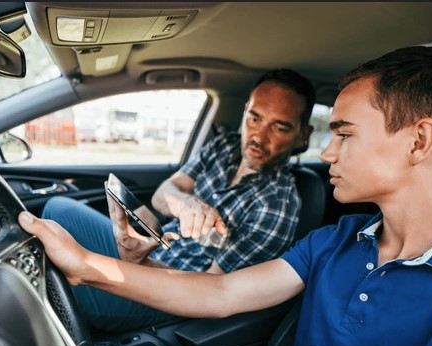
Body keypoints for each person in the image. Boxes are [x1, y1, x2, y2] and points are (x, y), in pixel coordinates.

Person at [19, 45, 432, 346]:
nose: (327, 153)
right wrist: (85, 264)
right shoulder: (338, 239)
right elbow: (223, 294)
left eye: (345, 134)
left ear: (419, 142)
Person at [42, 69, 316, 331]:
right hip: (153, 253)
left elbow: (211, 291)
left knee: (52, 286)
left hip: (170, 296)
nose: (259, 135)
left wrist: (142, 266)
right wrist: (185, 203)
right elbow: (164, 194)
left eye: (279, 128)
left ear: (302, 135)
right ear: (245, 110)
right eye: (255, 118)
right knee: (58, 209)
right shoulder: (225, 146)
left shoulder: (277, 205)